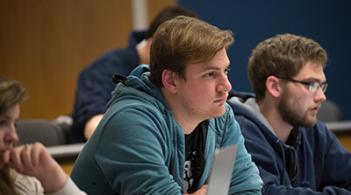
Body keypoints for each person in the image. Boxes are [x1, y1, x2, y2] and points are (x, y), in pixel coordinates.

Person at [71, 16, 262, 194]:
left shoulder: (221, 120)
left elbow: (245, 189)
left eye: (225, 71)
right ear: (171, 81)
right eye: (210, 74)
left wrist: (213, 191)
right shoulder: (131, 123)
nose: (226, 86)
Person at [228, 33, 351, 194]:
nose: (322, 96)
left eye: (322, 86)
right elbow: (266, 192)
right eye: (311, 84)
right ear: (275, 86)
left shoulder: (314, 132)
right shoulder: (238, 134)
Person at [70, 5, 198, 143]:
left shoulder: (175, 75)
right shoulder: (103, 70)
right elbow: (94, 124)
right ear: (153, 43)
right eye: (180, 56)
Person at [0, 76, 86, 195]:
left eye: (15, 124)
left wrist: (57, 182)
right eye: (1, 123)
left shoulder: (22, 184)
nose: (13, 137)